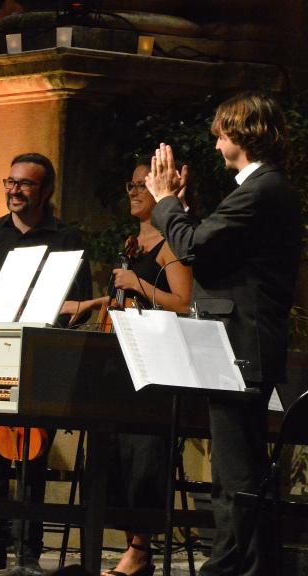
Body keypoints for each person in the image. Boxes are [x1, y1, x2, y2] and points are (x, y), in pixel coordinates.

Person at [145, 92, 300, 576]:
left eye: (220, 134)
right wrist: (181, 206)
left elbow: (192, 248)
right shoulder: (258, 189)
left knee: (237, 474)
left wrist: (166, 201)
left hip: (241, 345)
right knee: (238, 471)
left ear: (242, 133)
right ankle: (249, 566)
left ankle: (227, 569)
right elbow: (213, 249)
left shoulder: (261, 189)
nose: (215, 145)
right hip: (239, 343)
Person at [0, 152, 93, 570]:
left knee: (31, 460)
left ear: (46, 191)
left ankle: (29, 553)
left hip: (39, 359)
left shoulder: (66, 238)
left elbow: (81, 304)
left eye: (26, 184)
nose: (14, 190)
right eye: (10, 182)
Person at [90, 158, 192, 576]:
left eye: (140, 185)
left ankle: (141, 548)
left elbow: (184, 304)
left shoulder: (171, 243)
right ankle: (129, 543)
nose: (132, 192)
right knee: (113, 450)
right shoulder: (133, 242)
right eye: (129, 185)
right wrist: (91, 304)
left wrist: (138, 284)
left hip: (157, 365)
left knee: (143, 451)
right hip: (123, 358)